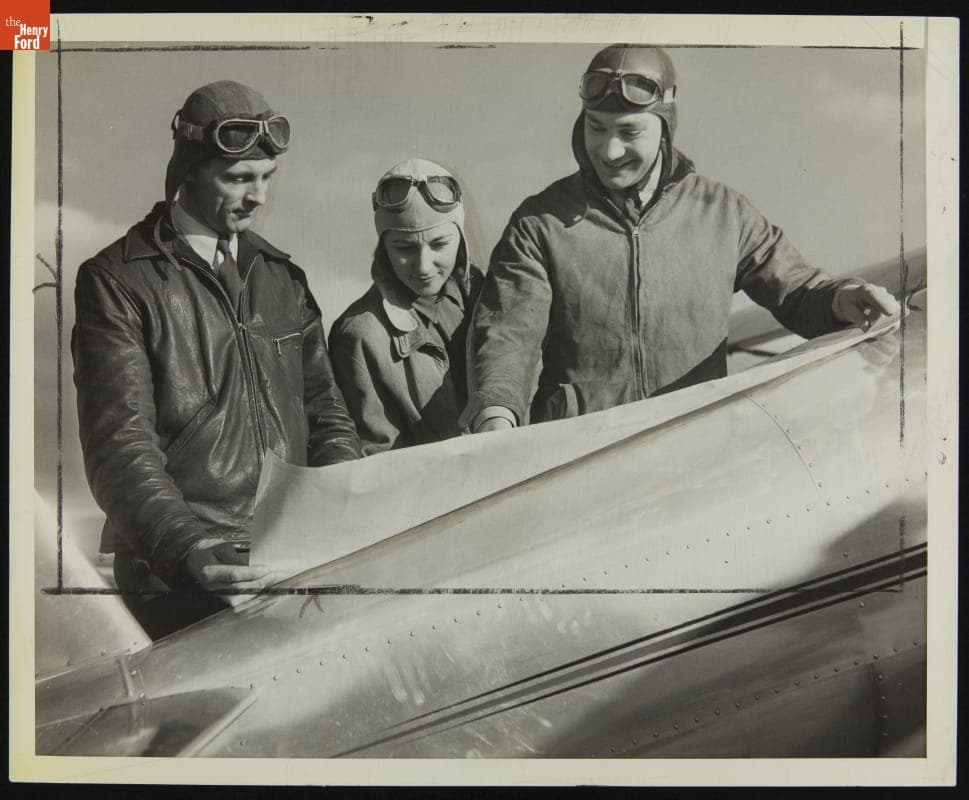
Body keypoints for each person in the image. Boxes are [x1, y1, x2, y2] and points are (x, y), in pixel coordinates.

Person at [462, 45, 900, 433]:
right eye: (596, 127)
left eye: (629, 132)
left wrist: (840, 299)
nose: (609, 150)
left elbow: (798, 290)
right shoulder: (539, 223)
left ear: (665, 126)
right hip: (578, 456)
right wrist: (496, 413)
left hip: (694, 450)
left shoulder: (724, 213)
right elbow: (508, 335)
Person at [72, 81, 363, 638]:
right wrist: (190, 548)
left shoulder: (283, 280)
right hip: (179, 583)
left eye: (266, 178)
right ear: (188, 170)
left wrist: (341, 515)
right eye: (237, 178)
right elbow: (119, 446)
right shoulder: (115, 281)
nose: (257, 197)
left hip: (291, 567)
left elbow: (328, 416)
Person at [329, 159, 484, 454]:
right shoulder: (361, 335)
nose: (423, 266)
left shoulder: (491, 298)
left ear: (461, 239)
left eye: (439, 244)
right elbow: (379, 458)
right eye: (404, 248)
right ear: (383, 247)